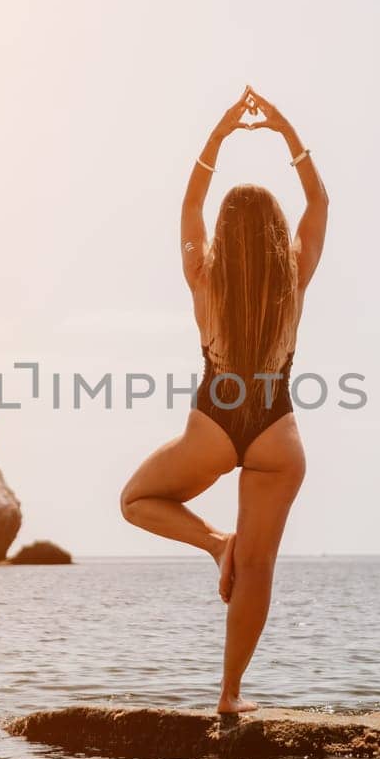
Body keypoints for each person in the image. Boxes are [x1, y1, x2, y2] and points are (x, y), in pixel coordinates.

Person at [119, 85, 329, 714]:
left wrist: (218, 135)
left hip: (213, 423)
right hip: (276, 431)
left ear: (224, 234)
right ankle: (230, 697)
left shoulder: (201, 275)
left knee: (135, 501)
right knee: (259, 566)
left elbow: (190, 201)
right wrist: (287, 131)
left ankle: (214, 543)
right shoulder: (294, 275)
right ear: (274, 234)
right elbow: (318, 199)